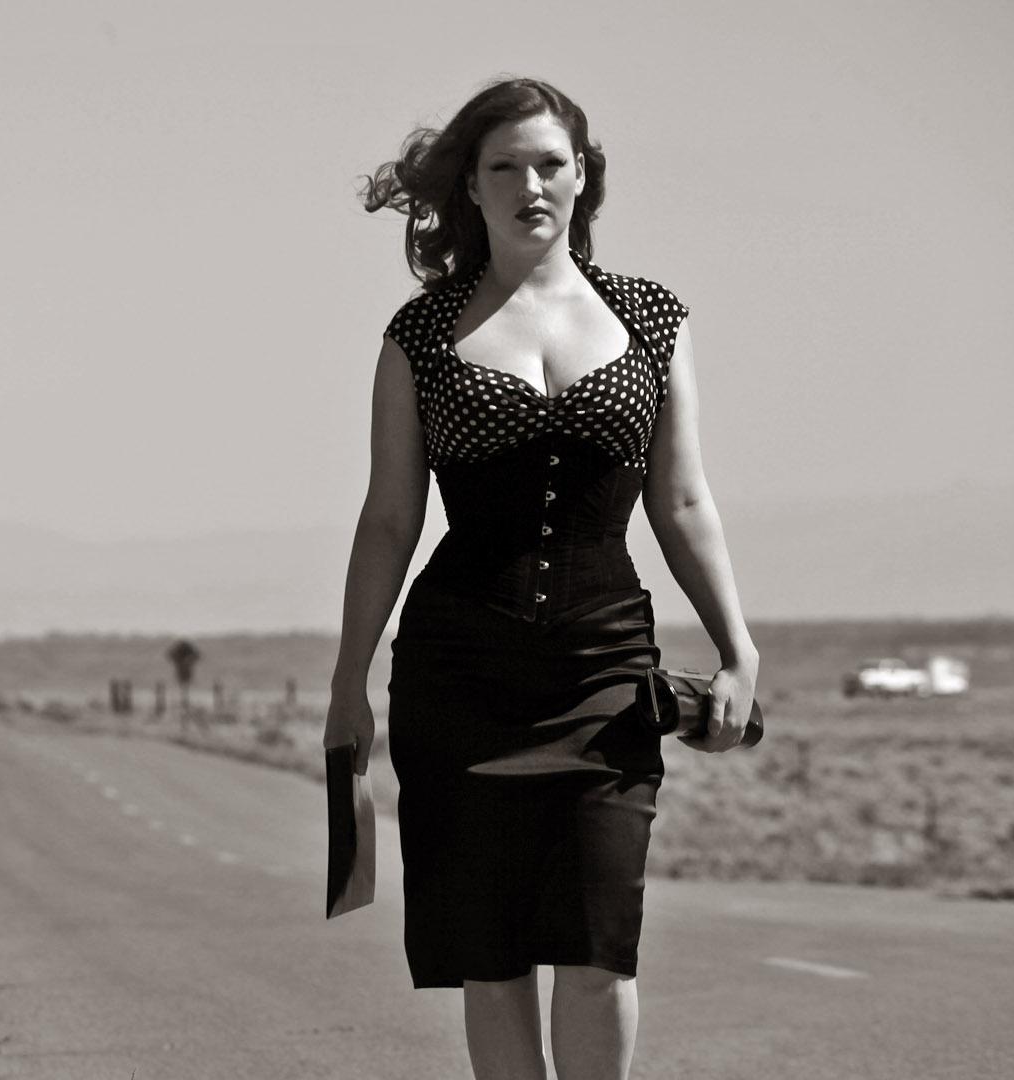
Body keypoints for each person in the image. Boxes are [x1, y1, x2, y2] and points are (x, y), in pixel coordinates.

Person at [324, 76, 760, 1080]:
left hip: (605, 667)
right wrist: (349, 679)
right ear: (471, 188)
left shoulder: (651, 319)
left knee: (601, 946)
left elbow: (682, 501)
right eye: (506, 166)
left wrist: (738, 649)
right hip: (458, 679)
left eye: (551, 164)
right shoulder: (420, 337)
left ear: (583, 178)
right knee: (494, 959)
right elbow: (389, 518)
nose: (531, 184)